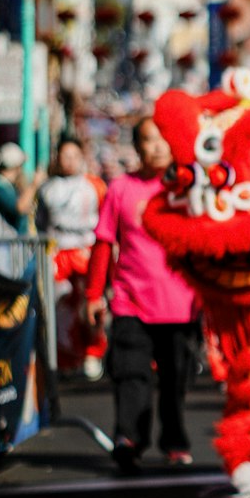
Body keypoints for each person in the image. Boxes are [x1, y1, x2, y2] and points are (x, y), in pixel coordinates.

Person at [84, 116, 200, 472]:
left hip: (181, 302)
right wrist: (93, 294)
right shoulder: (120, 188)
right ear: (137, 148)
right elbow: (104, 242)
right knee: (130, 372)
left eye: (164, 139)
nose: (158, 146)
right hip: (130, 299)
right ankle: (128, 439)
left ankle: (174, 440)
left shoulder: (189, 186)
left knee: (174, 378)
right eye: (149, 140)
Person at [36, 137, 107, 378]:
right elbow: (41, 223)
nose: (69, 161)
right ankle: (65, 359)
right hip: (58, 252)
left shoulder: (94, 185)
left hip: (86, 250)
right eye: (65, 156)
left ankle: (92, 353)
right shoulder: (47, 188)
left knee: (90, 304)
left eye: (74, 156)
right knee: (60, 307)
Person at [0, 143, 45, 234]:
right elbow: (20, 208)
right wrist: (34, 184)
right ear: (16, 167)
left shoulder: (9, 186)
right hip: (6, 244)